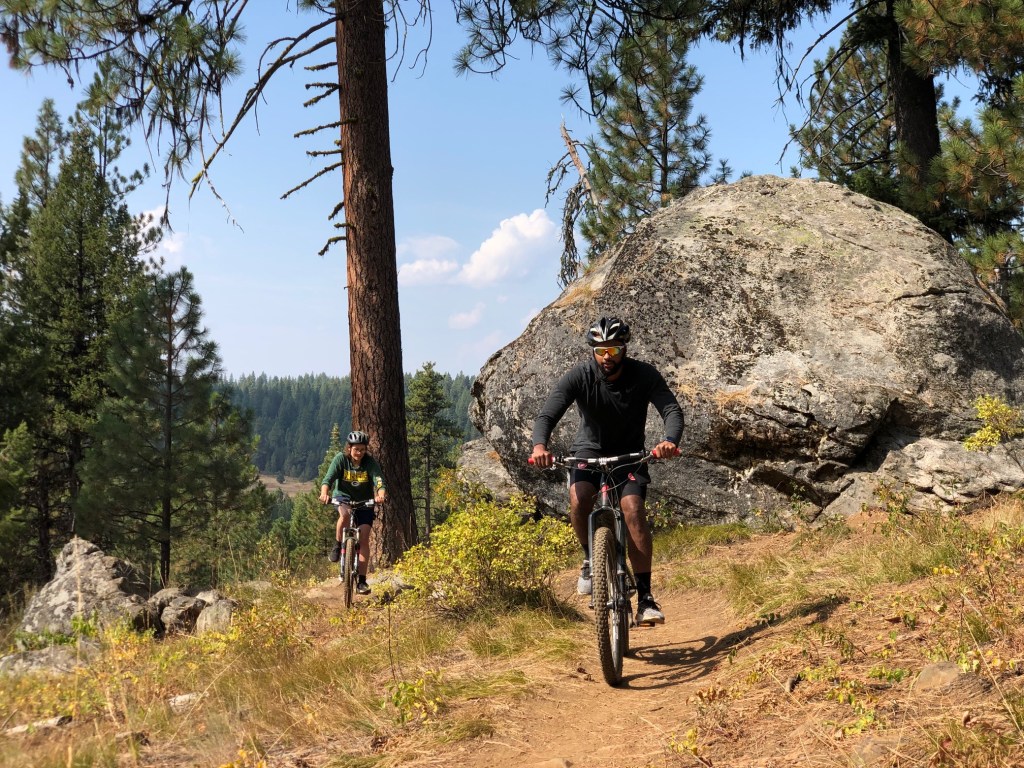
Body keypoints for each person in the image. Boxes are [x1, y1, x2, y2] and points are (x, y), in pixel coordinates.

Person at [531, 316, 683, 625]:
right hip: (588, 450)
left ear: (624, 349)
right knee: (579, 498)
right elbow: (547, 414)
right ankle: (590, 559)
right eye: (600, 351)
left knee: (633, 509)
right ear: (593, 351)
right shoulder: (580, 376)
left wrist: (670, 441)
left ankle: (646, 598)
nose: (606, 357)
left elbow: (670, 409)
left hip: (629, 454)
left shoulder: (644, 375)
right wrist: (539, 447)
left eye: (613, 350)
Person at [318, 430, 387, 595]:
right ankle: (338, 545)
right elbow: (328, 479)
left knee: (364, 537)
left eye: (363, 449)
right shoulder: (340, 459)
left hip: (364, 502)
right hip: (343, 497)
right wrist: (324, 493)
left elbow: (379, 481)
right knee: (345, 515)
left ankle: (362, 581)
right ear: (349, 448)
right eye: (356, 449)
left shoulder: (369, 463)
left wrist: (381, 495)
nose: (359, 453)